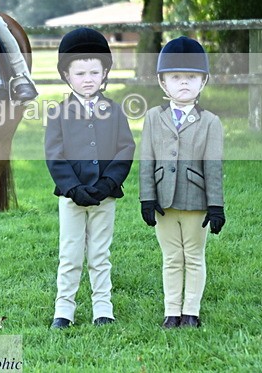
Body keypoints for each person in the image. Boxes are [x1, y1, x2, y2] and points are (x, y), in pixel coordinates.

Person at [44, 28, 135, 329]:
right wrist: (72, 188)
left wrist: (110, 183)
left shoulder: (116, 111)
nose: (88, 79)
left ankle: (102, 308)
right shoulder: (58, 113)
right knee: (70, 254)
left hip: (104, 196)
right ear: (66, 76)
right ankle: (64, 309)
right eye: (80, 72)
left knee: (99, 253)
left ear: (104, 73)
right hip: (72, 199)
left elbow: (125, 148)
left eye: (94, 72)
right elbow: (54, 156)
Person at [139, 36, 225, 329]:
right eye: (176, 77)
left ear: (204, 81)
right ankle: (171, 311)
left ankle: (192, 312)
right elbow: (146, 161)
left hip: (195, 201)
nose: (184, 83)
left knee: (194, 256)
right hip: (163, 201)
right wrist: (146, 198)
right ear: (163, 83)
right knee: (172, 257)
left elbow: (213, 166)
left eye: (191, 77)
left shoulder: (211, 122)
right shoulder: (152, 118)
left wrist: (216, 205)